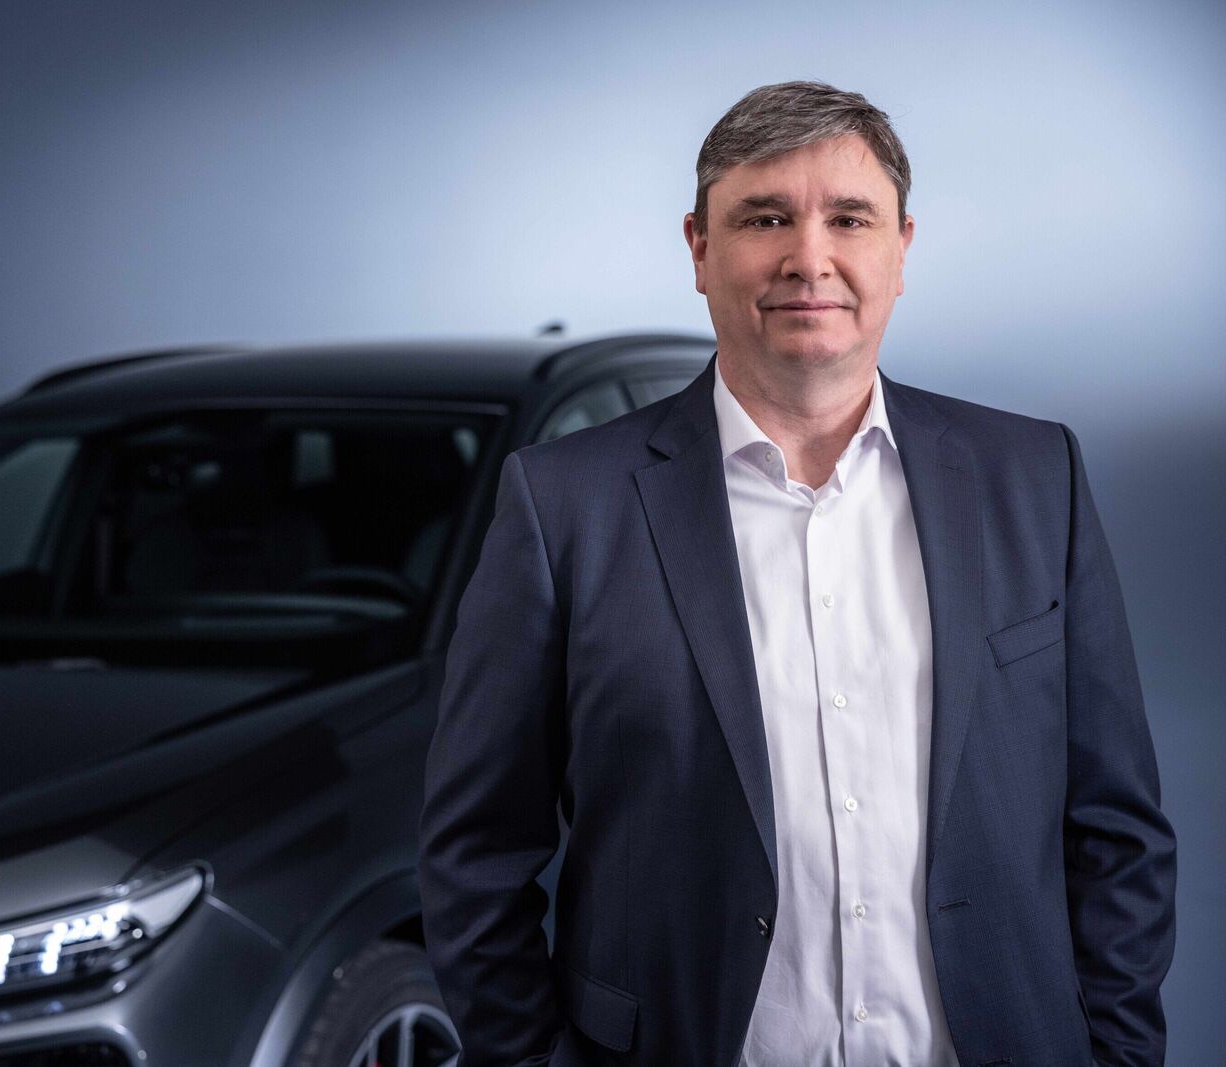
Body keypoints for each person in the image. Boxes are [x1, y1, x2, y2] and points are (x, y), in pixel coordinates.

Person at [417, 80, 1176, 1067]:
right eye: (763, 217)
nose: (806, 258)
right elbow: (475, 852)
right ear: (698, 246)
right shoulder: (565, 505)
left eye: (848, 218)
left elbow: (1115, 826)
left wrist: (1116, 1051)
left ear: (901, 247)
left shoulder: (1034, 477)